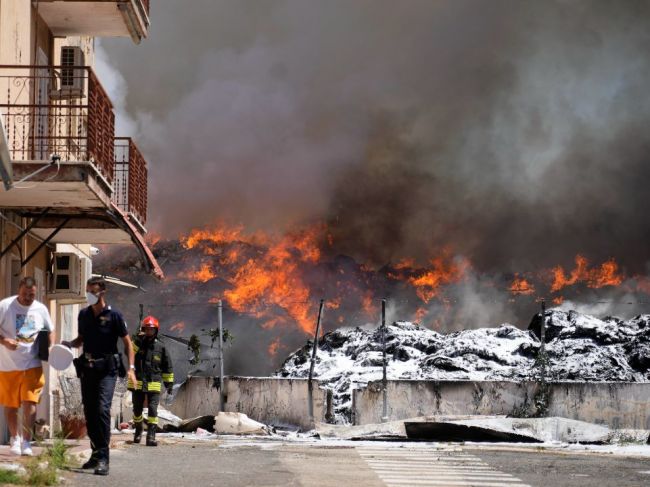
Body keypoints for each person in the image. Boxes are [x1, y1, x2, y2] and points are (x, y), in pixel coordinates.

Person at [62, 277, 136, 476]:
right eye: (87, 291)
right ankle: (95, 453)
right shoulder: (84, 315)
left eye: (92, 291)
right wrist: (68, 344)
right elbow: (81, 340)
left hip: (107, 370)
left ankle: (104, 457)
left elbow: (128, 343)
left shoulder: (114, 316)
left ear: (102, 292)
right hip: (88, 369)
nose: (89, 295)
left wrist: (131, 368)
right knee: (90, 412)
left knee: (102, 409)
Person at [0, 276, 53, 456]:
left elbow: (49, 331)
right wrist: (5, 341)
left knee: (30, 402)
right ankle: (14, 439)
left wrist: (50, 347)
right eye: (24, 295)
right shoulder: (5, 306)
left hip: (32, 363)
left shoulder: (41, 309)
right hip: (8, 365)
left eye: (31, 295)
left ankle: (26, 441)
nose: (27, 298)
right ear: (19, 291)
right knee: (11, 404)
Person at [129, 315, 174, 446]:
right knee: (137, 409)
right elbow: (130, 353)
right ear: (143, 329)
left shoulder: (161, 347)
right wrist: (138, 339)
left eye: (152, 330)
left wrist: (169, 384)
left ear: (156, 331)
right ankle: (138, 429)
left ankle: (151, 436)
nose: (149, 332)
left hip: (153, 383)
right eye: (147, 329)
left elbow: (167, 366)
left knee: (153, 409)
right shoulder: (137, 343)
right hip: (137, 382)